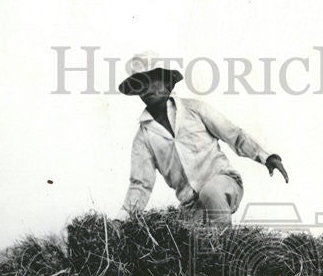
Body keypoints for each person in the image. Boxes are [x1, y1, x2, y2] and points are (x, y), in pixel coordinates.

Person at [117, 52, 289, 226]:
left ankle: (227, 248)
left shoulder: (195, 109)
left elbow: (233, 134)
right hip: (192, 206)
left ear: (167, 83)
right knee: (188, 243)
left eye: (152, 78)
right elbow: (140, 185)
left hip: (224, 183)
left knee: (210, 192)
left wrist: (266, 157)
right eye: (140, 83)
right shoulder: (143, 137)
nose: (146, 87)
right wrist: (120, 220)